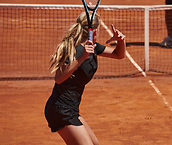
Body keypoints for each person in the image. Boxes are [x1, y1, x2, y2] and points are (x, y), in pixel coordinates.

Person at [44, 11, 126, 145]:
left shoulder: (93, 47)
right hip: (60, 109)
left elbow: (118, 54)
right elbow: (59, 78)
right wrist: (81, 58)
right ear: (93, 31)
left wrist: (121, 41)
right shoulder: (77, 50)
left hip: (71, 108)